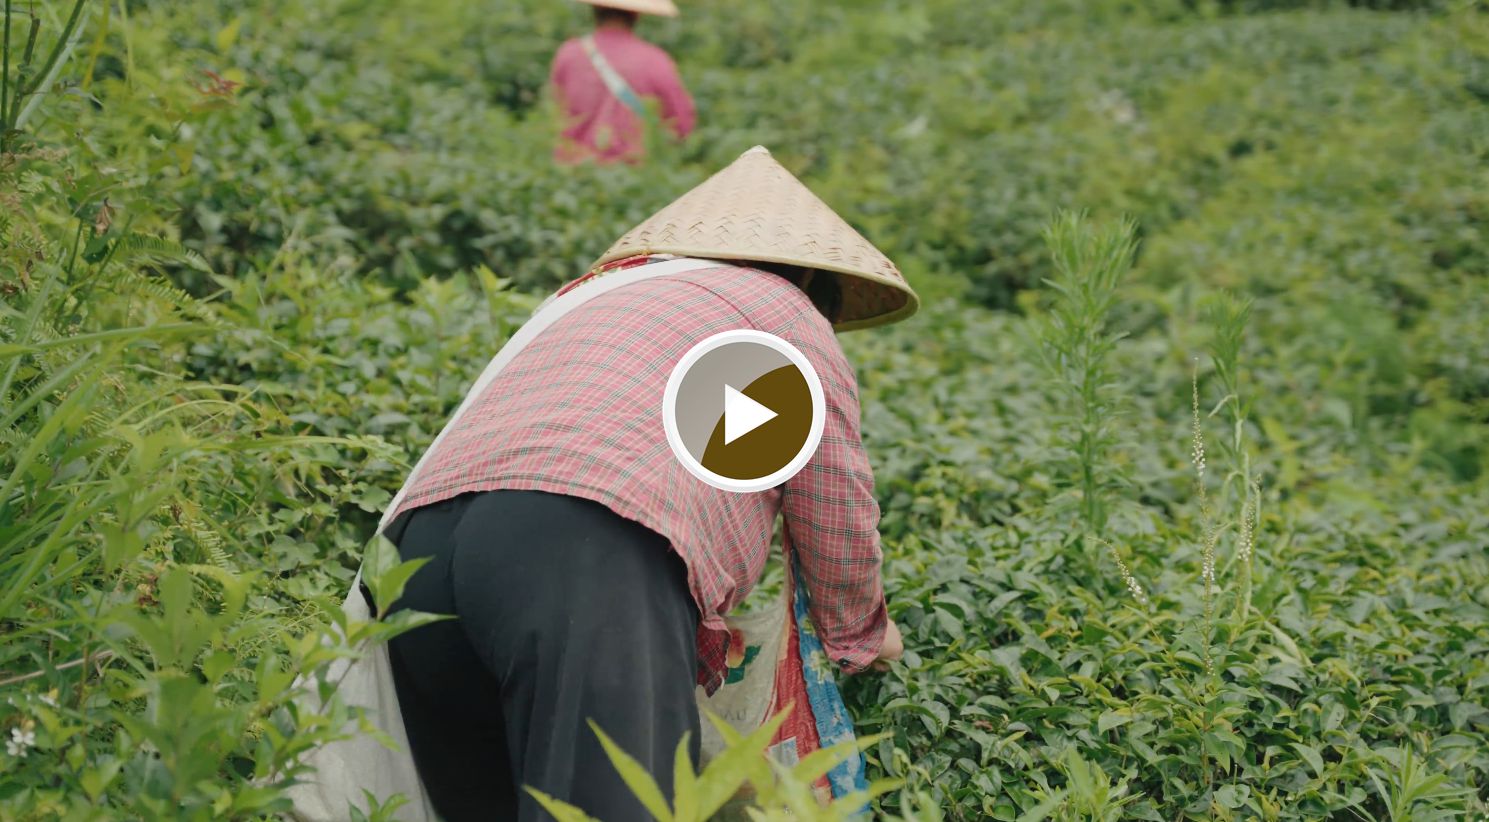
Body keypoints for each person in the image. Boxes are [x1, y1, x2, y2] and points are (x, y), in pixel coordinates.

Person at [379, 146, 919, 821]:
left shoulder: (593, 299)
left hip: (418, 555)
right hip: (583, 553)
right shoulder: (786, 313)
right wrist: (861, 634)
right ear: (810, 273)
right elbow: (832, 498)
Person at [550, 0, 696, 164]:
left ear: (595, 8)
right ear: (636, 14)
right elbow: (681, 125)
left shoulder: (568, 54)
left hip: (572, 174)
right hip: (630, 177)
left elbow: (555, 114)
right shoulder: (654, 60)